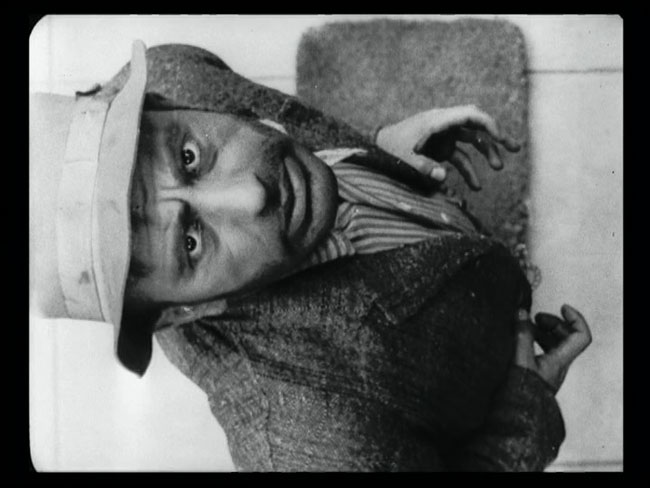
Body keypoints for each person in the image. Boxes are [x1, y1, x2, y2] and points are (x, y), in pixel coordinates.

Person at [30, 41, 591, 471]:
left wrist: (378, 151)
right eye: (191, 243)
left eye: (190, 156)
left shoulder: (177, 71)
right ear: (181, 313)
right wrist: (523, 414)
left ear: (163, 103)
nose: (251, 195)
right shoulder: (308, 445)